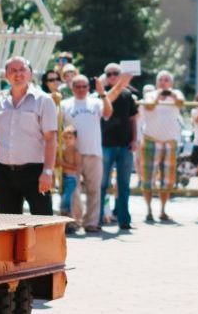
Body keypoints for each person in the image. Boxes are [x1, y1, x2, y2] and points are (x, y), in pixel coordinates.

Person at [0, 56, 59, 215]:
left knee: (42, 226)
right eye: (12, 70)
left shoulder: (44, 100)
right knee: (6, 229)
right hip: (4, 173)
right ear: (6, 75)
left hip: (35, 172)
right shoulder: (0, 102)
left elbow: (51, 138)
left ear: (30, 74)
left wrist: (47, 171)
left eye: (22, 70)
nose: (17, 74)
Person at [61, 75, 109, 233]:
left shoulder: (96, 102)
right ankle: (74, 221)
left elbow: (108, 113)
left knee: (94, 189)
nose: (81, 89)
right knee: (73, 190)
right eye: (78, 86)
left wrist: (103, 93)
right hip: (72, 154)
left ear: (89, 88)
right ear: (72, 88)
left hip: (93, 151)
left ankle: (91, 222)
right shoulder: (64, 105)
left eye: (84, 86)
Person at [97, 63, 140, 230]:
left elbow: (133, 119)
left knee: (123, 184)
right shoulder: (100, 95)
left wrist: (134, 139)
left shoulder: (128, 94)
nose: (113, 76)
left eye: (116, 73)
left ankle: (124, 219)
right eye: (109, 74)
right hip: (105, 144)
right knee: (102, 184)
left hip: (125, 145)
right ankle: (98, 219)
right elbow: (108, 100)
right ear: (105, 77)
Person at [140, 70, 184, 223]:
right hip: (151, 140)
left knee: (167, 179)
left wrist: (171, 94)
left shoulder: (176, 93)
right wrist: (159, 95)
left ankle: (163, 210)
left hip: (169, 142)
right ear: (157, 82)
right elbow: (150, 107)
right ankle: (149, 210)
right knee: (148, 178)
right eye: (161, 80)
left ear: (171, 83)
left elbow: (181, 103)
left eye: (167, 80)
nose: (164, 82)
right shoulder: (150, 95)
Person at [59, 128, 82, 229]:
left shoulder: (76, 152)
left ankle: (69, 223)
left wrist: (62, 163)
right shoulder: (62, 150)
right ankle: (67, 222)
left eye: (70, 137)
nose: (68, 140)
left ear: (75, 139)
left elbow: (76, 167)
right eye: (66, 137)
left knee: (66, 200)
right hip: (63, 178)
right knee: (65, 199)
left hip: (71, 178)